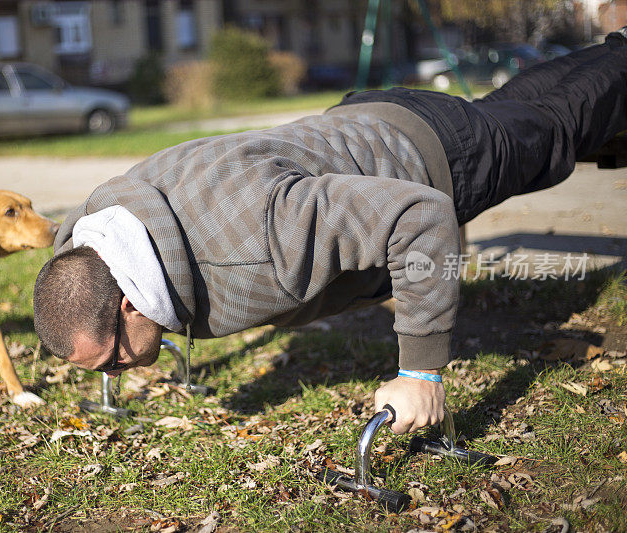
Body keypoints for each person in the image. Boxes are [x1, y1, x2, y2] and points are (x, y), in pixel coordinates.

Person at [33, 30, 627, 435]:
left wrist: (420, 371)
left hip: (437, 154)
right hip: (359, 123)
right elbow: (69, 262)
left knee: (552, 132)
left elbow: (420, 219)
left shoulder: (261, 239)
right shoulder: (104, 224)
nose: (119, 373)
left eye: (112, 363)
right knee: (518, 111)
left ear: (131, 301)